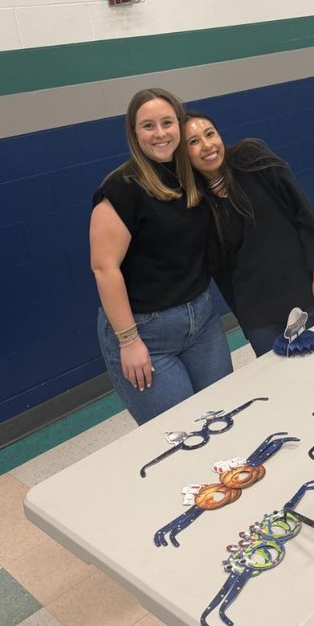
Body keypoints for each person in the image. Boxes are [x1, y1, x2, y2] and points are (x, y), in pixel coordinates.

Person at [89, 89, 233, 424]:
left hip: (202, 321)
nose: (160, 133)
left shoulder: (190, 178)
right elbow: (104, 268)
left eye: (168, 123)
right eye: (148, 126)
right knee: (182, 434)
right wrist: (129, 342)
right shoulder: (120, 189)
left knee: (224, 415)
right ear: (134, 134)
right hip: (146, 333)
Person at [184, 112, 314, 357]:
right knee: (279, 381)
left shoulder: (251, 158)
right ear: (184, 156)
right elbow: (221, 271)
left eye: (209, 134)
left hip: (301, 288)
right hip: (257, 312)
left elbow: (304, 213)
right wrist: (245, 320)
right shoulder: (197, 205)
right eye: (193, 142)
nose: (207, 145)